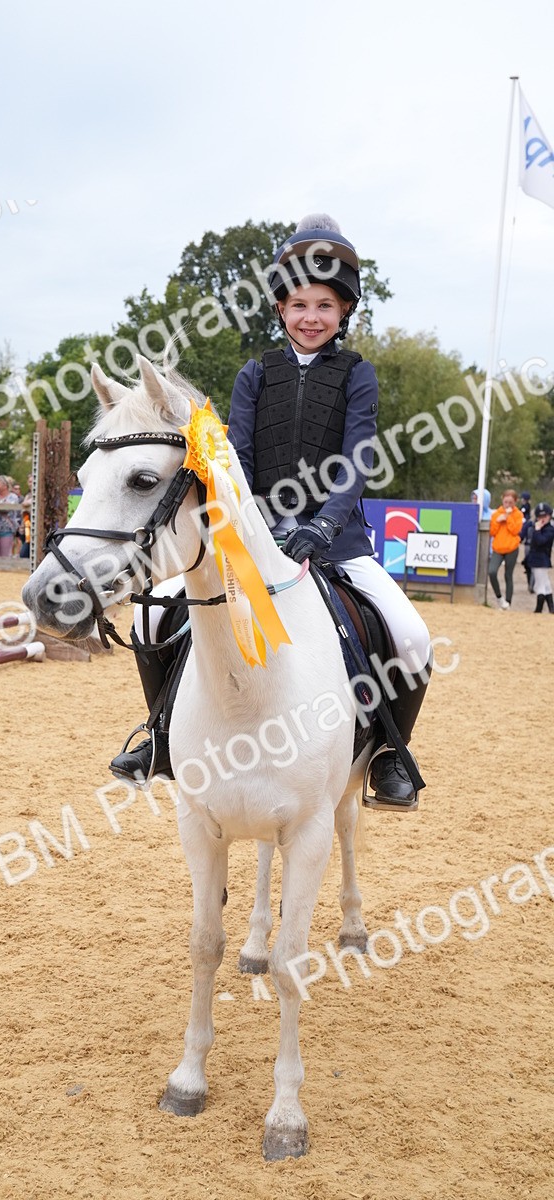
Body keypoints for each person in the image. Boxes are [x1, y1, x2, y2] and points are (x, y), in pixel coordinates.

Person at [110, 214, 432, 812]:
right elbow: (242, 460)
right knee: (150, 623)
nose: (312, 317)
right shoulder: (255, 374)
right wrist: (263, 524)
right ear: (281, 309)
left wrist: (325, 524)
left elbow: (357, 458)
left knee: (412, 636)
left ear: (343, 312)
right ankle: (158, 737)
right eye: (300, 304)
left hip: (339, 543)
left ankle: (390, 753)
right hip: (255, 540)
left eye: (326, 306)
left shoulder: (357, 375)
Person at [488, 490, 523, 609]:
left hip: (512, 548)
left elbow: (515, 531)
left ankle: (508, 602)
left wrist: (508, 518)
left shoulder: (518, 514)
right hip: (498, 548)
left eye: (511, 502)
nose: (508, 504)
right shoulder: (496, 514)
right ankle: (499, 598)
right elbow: (492, 532)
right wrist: (499, 521)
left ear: (515, 502)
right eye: (506, 501)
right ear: (502, 500)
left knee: (508, 575)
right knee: (492, 571)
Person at [522, 501, 554, 613]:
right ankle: (551, 607)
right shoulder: (534, 526)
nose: (542, 518)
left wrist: (537, 530)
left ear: (549, 516)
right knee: (545, 583)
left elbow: (540, 541)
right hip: (535, 558)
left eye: (545, 516)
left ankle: (539, 608)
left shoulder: (549, 530)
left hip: (542, 559)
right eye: (540, 516)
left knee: (539, 584)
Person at [0, 474, 19, 557]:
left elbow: (7, 508)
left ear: (5, 486)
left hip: (7, 529)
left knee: (5, 555)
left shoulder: (13, 497)